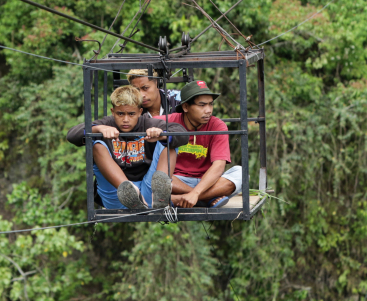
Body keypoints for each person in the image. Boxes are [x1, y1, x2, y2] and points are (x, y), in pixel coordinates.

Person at [66, 85, 185, 210]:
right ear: (113, 112)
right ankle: (129, 190)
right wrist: (97, 129)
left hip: (149, 193)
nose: (126, 119)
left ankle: (160, 193)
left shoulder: (149, 123)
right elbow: (72, 135)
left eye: (131, 114)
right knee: (96, 145)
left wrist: (161, 135)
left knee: (170, 140)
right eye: (120, 114)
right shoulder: (107, 123)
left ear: (140, 112)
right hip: (116, 194)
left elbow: (181, 133)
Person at [161, 81, 243, 209]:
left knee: (241, 173)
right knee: (158, 178)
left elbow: (219, 166)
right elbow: (139, 123)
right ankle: (207, 199)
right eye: (202, 105)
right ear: (186, 107)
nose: (208, 110)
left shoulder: (218, 125)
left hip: (208, 182)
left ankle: (181, 199)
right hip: (176, 180)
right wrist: (116, 128)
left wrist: (196, 193)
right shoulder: (169, 121)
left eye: (211, 104)